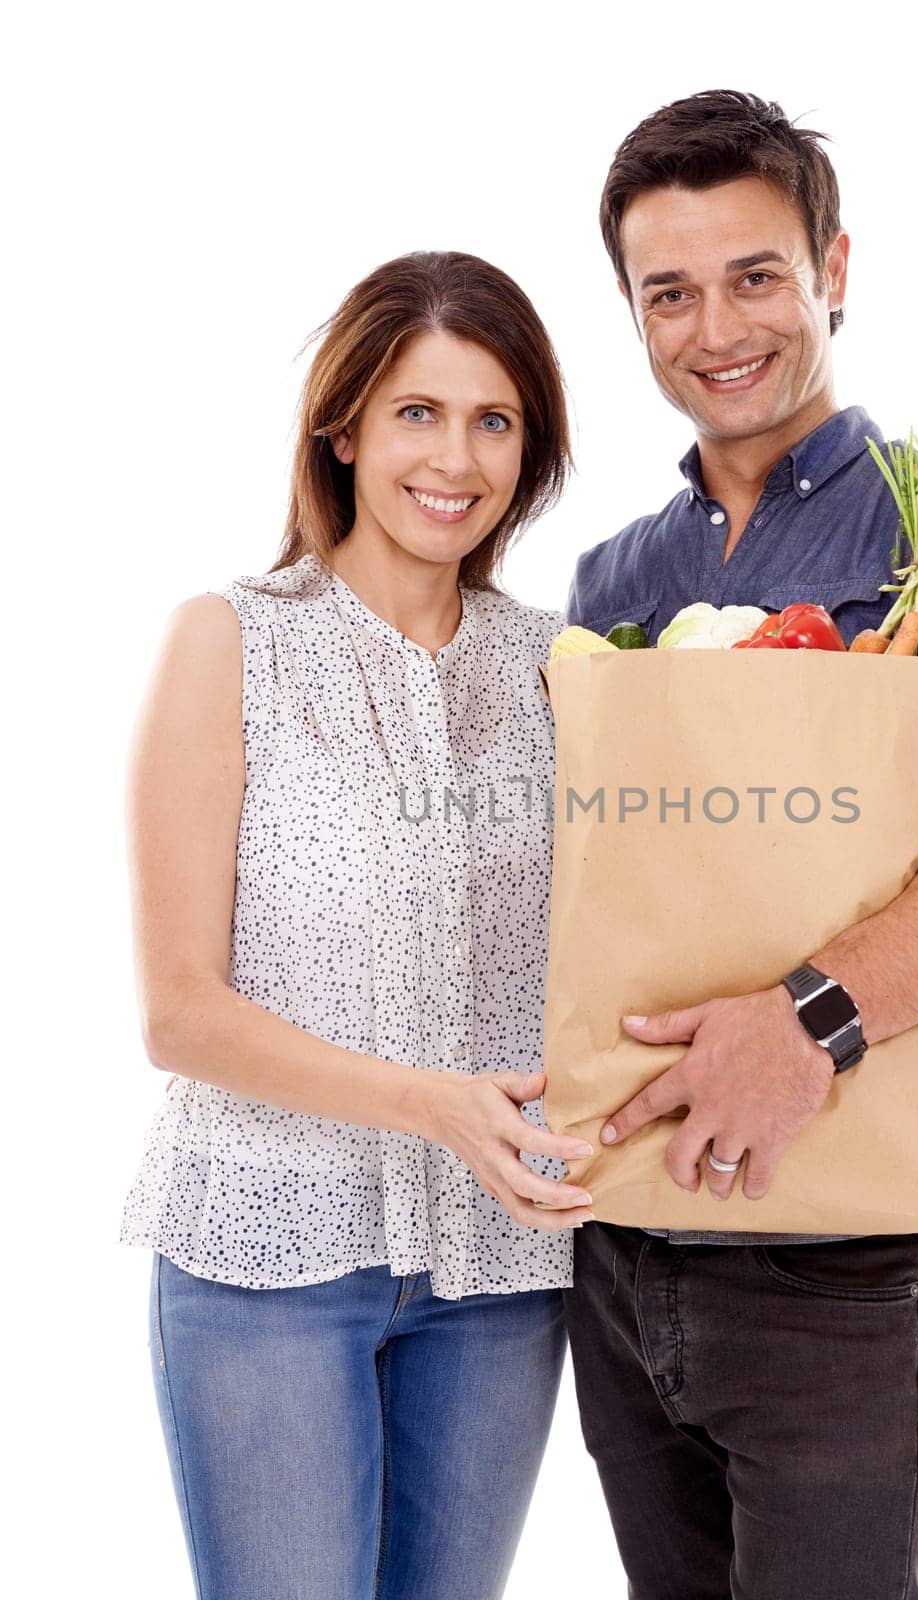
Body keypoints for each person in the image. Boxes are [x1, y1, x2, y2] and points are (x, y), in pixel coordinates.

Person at [561, 91, 918, 1599]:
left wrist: (811, 1019)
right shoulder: (614, 577)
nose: (716, 327)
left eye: (755, 274)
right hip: (620, 1244)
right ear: (630, 315)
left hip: (844, 1268)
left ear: (835, 267)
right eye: (666, 292)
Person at [118, 250, 595, 1600]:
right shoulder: (231, 642)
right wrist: (431, 1104)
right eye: (417, 413)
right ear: (344, 429)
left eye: (494, 419)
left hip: (502, 1275)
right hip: (265, 1256)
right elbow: (178, 1010)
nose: (456, 457)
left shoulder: (563, 671)